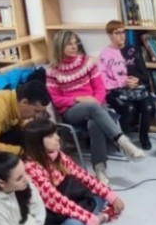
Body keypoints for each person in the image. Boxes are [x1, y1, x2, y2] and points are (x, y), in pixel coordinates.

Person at [48, 29, 145, 185]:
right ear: (60, 46)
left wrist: (95, 102)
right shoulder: (53, 71)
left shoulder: (87, 62)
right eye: (69, 44)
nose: (74, 47)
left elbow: (100, 88)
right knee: (92, 108)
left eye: (75, 43)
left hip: (95, 107)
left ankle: (100, 170)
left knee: (95, 123)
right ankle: (123, 142)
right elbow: (57, 100)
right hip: (72, 111)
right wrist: (79, 99)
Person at [21, 118, 124, 225]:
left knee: (101, 195)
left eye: (56, 133)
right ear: (37, 142)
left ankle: (94, 218)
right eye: (51, 136)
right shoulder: (30, 168)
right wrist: (88, 219)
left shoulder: (56, 154)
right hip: (53, 212)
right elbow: (55, 200)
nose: (57, 138)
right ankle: (101, 217)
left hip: (70, 199)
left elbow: (82, 175)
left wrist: (110, 196)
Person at [97, 20, 156, 150]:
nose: (121, 35)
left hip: (136, 89)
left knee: (148, 107)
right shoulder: (104, 55)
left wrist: (136, 81)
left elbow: (144, 74)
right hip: (116, 91)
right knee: (129, 109)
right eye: (117, 33)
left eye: (123, 32)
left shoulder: (132, 50)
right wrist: (122, 82)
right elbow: (104, 82)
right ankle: (121, 139)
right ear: (109, 35)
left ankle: (143, 137)